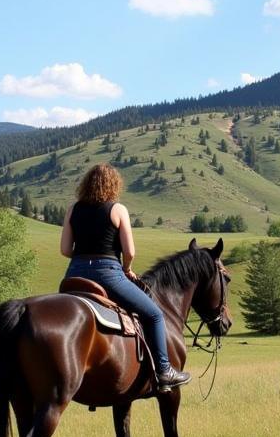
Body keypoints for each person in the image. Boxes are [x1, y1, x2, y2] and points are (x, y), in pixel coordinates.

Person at [61, 163, 191, 389]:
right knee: (154, 314)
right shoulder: (117, 209)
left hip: (75, 273)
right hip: (108, 274)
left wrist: (83, 257)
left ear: (86, 184)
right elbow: (129, 251)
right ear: (114, 184)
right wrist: (127, 268)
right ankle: (164, 371)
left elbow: (64, 249)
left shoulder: (73, 209)